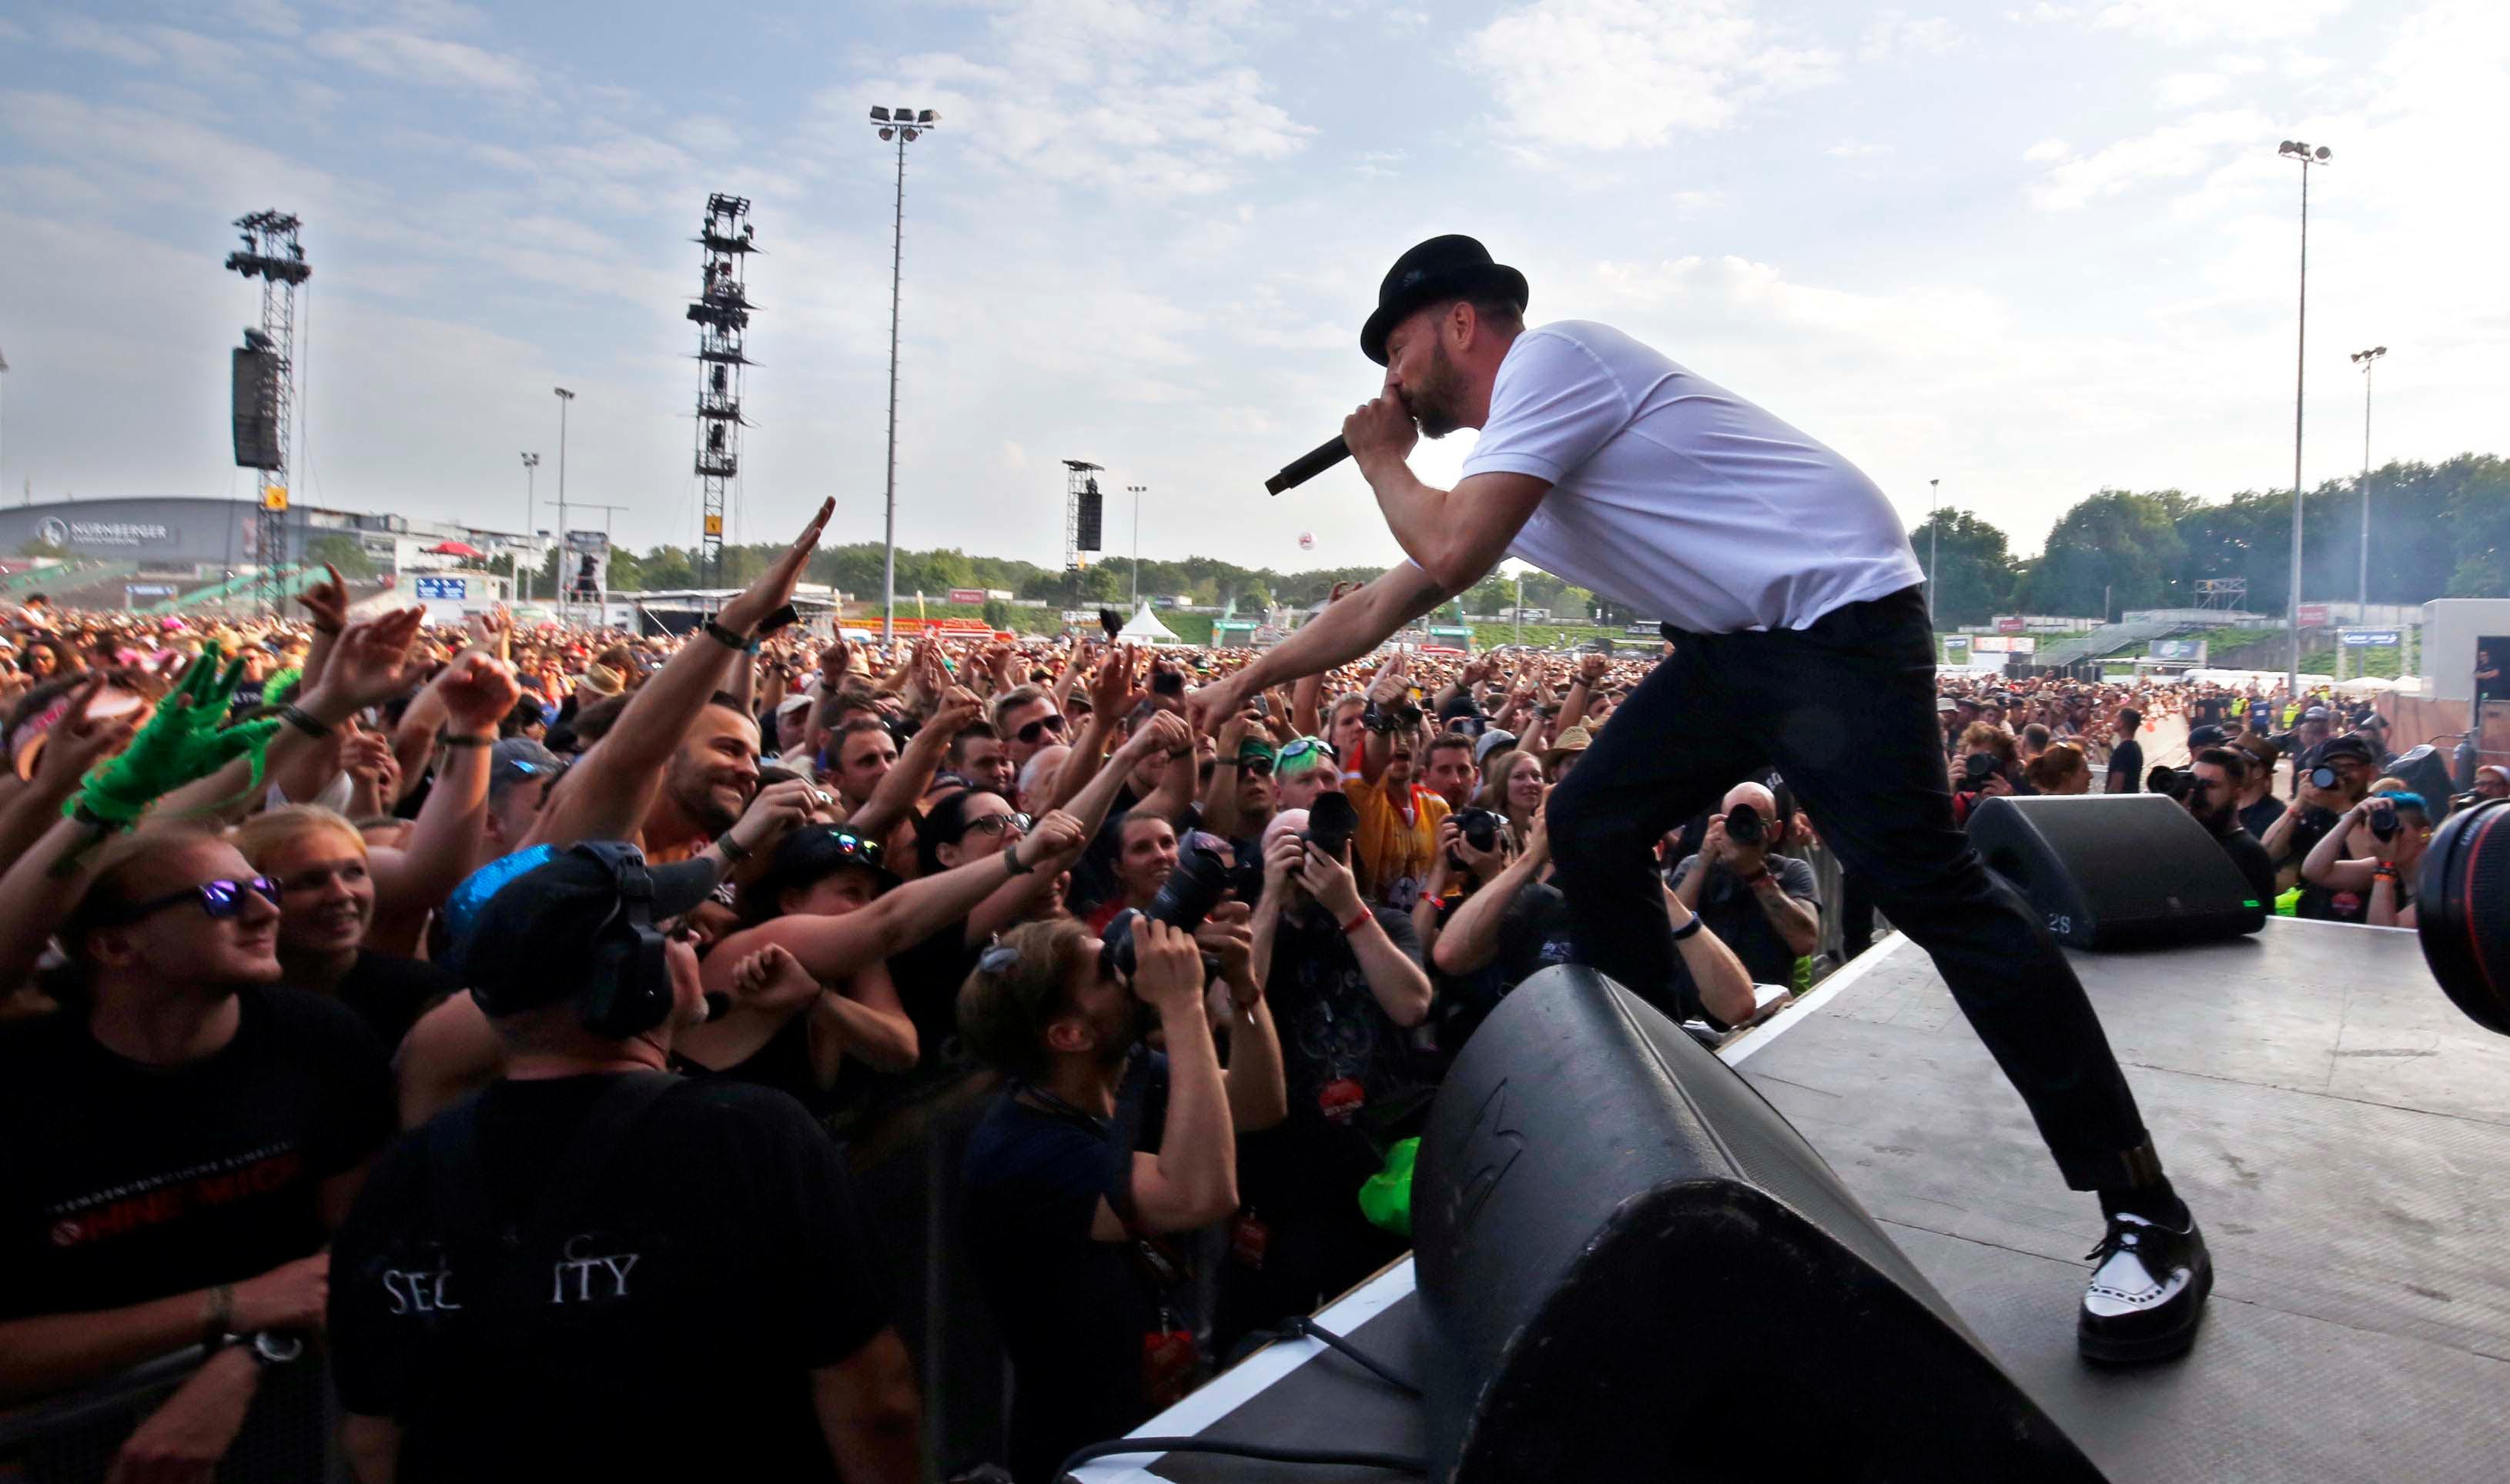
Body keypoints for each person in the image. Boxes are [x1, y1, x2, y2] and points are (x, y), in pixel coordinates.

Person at [1186, 233, 2207, 1363]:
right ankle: (1662, 1085)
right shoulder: (1515, 449)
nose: (1386, 378)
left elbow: (1446, 550)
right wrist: (1242, 677)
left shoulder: (1555, 363)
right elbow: (1382, 602)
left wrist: (1382, 461)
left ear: (1462, 323)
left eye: (1397, 345)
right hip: (1738, 646)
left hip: (1836, 621)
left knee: (1934, 891)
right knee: (1588, 821)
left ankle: (2145, 1210)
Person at [328, 844, 921, 1484]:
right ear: (634, 973)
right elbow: (872, 1400)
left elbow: (372, 1435)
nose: (694, 945)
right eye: (674, 935)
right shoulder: (753, 1136)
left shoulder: (403, 1171)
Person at [0, 829, 394, 1480]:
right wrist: (227, 1307)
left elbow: (355, 1252)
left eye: (262, 887)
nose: (265, 910)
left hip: (290, 1421)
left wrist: (251, 1352)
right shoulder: (20, 1088)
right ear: (115, 944)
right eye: (220, 897)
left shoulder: (319, 1041)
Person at [957, 916, 1284, 1484]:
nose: (1131, 972)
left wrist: (1245, 987)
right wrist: (1183, 1006)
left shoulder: (1123, 1076)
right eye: (1109, 971)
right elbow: (1202, 1195)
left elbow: (1259, 1104)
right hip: (1086, 1454)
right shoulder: (1019, 1153)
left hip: (1159, 1411)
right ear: (1069, 1035)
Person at [1665, 781, 1821, 1020]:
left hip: (1766, 1014)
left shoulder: (1791, 872)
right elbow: (1672, 930)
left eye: (1754, 822)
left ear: (1776, 831)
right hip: (1695, 1014)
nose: (1742, 829)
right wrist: (1705, 858)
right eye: (1733, 821)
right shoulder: (1695, 867)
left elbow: (1804, 942)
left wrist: (1756, 874)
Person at [2298, 792, 2432, 928]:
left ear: (2424, 834)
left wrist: (2385, 866)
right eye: (2379, 829)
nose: (2390, 837)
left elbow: (2383, 934)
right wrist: (2352, 816)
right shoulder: (2388, 864)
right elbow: (2314, 871)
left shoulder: (2438, 879)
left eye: (2398, 829)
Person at [2175, 750, 2277, 905]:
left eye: (2210, 786)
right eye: (2193, 783)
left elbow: (2254, 913)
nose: (2198, 793)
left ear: (2237, 795)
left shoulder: (2249, 855)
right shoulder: (2180, 840)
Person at [2103, 707, 2144, 794]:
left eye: (2116, 717)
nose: (2113, 720)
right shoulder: (2136, 748)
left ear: (2121, 723)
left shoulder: (2121, 751)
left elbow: (2116, 786)